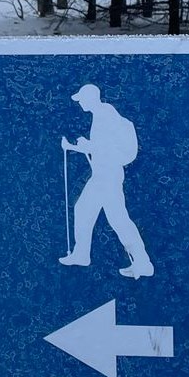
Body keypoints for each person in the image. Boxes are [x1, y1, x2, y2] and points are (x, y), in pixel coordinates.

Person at [59, 84, 154, 278]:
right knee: (83, 209)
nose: (80, 103)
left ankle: (143, 264)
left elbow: (105, 147)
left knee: (119, 220)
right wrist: (73, 147)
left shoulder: (105, 113)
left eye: (82, 100)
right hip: (101, 175)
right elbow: (100, 148)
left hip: (108, 176)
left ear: (91, 98)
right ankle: (81, 254)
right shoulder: (100, 114)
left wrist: (86, 145)